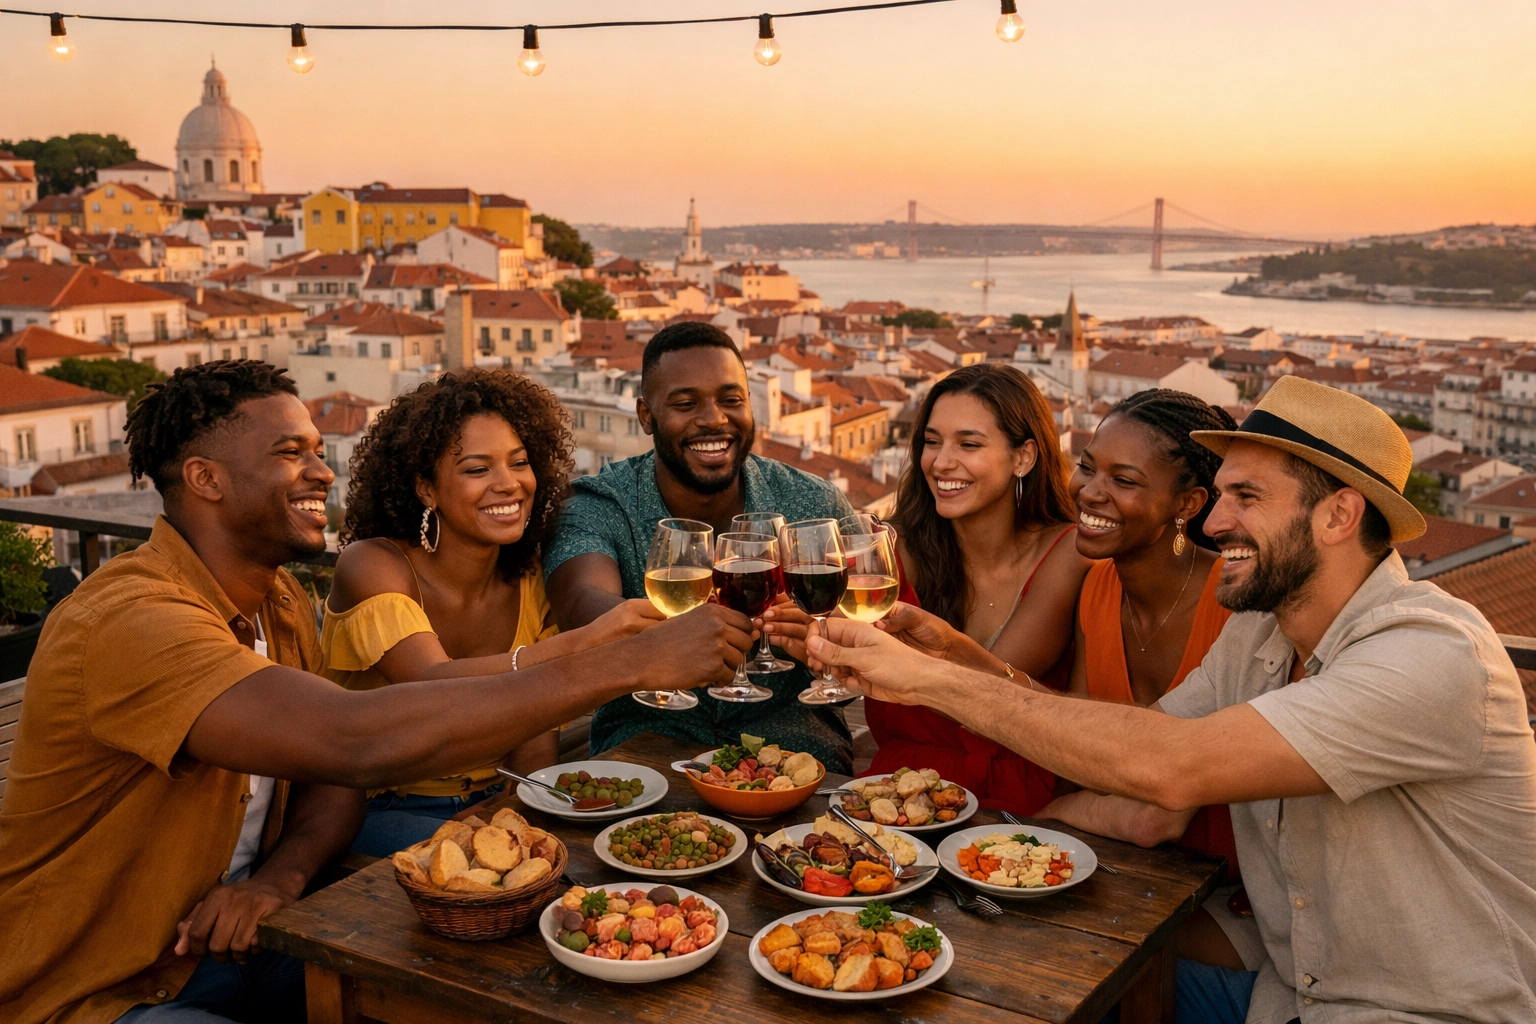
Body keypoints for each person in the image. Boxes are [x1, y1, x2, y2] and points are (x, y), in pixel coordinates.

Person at [0, 361, 751, 1024]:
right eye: (290, 454)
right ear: (206, 479)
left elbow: (329, 782)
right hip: (105, 989)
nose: (322, 472)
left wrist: (280, 878)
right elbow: (355, 741)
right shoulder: (132, 620)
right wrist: (619, 663)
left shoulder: (281, 605)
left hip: (242, 944)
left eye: (317, 454)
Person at [807, 376, 1536, 1024]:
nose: (1215, 524)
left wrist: (932, 679)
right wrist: (1003, 836)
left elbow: (1172, 770)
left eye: (1245, 499)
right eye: (1220, 498)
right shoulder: (1258, 638)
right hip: (1289, 996)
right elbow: (1135, 746)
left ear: (1339, 517)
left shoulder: (1433, 655)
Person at [324, 369, 665, 858]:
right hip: (376, 810)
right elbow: (431, 682)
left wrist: (511, 806)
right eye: (477, 469)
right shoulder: (373, 564)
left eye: (519, 462)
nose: (508, 485)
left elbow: (535, 721)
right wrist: (584, 641)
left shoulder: (529, 579)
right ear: (426, 489)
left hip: (496, 804)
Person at [545, 321, 857, 771]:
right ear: (645, 415)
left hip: (796, 743)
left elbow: (863, 621)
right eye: (685, 403)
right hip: (645, 741)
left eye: (731, 400)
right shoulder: (600, 502)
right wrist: (667, 640)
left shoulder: (813, 502)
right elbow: (580, 604)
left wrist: (818, 636)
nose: (714, 418)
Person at [1036, 388, 1256, 972]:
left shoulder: (1237, 608)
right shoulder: (1097, 589)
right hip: (1133, 876)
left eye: (1124, 480)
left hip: (1234, 899)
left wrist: (1050, 819)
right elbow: (1076, 755)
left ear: (1188, 503)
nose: (1089, 491)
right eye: (1087, 466)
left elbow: (1158, 812)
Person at [855, 362, 1093, 813]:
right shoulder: (890, 550)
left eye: (968, 444)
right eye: (931, 442)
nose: (941, 462)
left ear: (1023, 457)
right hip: (890, 802)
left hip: (1018, 810)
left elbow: (991, 703)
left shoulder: (1067, 553)